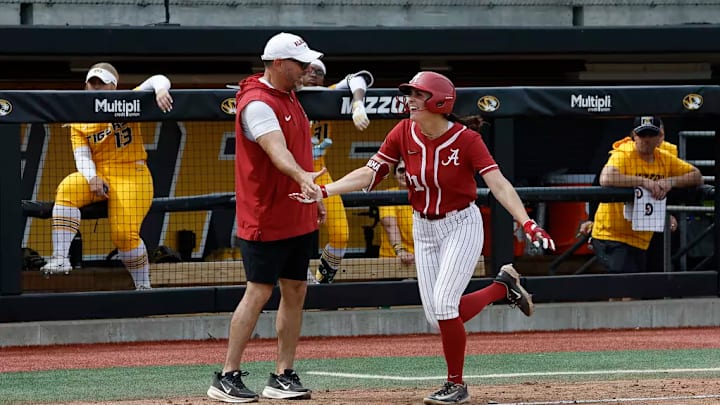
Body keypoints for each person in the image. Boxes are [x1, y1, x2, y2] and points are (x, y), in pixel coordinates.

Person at [292, 71, 555, 405]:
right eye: (410, 94)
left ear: (439, 102)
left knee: (445, 307)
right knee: (437, 316)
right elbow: (370, 172)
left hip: (460, 223)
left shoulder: (466, 139)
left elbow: (499, 183)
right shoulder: (403, 132)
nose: (410, 100)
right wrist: (324, 189)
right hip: (423, 227)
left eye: (417, 95)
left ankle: (456, 384)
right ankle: (502, 287)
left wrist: (528, 223)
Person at [206, 32, 325, 403]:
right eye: (300, 64)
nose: (308, 69)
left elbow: (297, 151)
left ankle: (283, 374)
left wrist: (312, 194)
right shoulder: (257, 104)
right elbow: (277, 152)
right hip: (265, 215)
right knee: (258, 291)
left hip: (296, 210)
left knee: (296, 289)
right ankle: (227, 376)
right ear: (277, 64)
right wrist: (303, 176)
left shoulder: (290, 95)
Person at [40, 62, 173, 291]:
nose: (96, 88)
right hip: (100, 172)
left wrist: (161, 90)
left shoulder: (127, 101)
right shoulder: (79, 116)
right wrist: (92, 178)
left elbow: (157, 78)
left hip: (132, 172)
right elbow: (81, 155)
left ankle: (143, 285)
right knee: (67, 188)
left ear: (113, 86)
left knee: (123, 233)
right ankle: (61, 257)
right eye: (92, 84)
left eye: (101, 83)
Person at [589, 116, 702, 273]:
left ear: (659, 137)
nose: (647, 140)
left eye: (651, 135)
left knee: (627, 290)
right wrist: (643, 181)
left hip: (640, 237)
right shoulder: (624, 154)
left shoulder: (664, 158)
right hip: (612, 235)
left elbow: (696, 175)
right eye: (643, 135)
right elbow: (606, 178)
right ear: (634, 136)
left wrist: (671, 182)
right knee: (628, 289)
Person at [302, 59, 373, 283]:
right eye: (309, 70)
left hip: (318, 172)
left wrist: (357, 104)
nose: (314, 74)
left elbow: (359, 78)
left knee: (341, 233)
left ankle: (322, 282)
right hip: (288, 174)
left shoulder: (328, 94)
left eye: (319, 72)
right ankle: (289, 285)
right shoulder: (284, 94)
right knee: (291, 237)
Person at [378, 159, 415, 265]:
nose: (405, 174)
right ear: (394, 174)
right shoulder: (388, 195)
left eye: (410, 170)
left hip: (420, 259)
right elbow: (390, 226)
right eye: (401, 170)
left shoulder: (425, 196)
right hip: (391, 259)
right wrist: (400, 251)